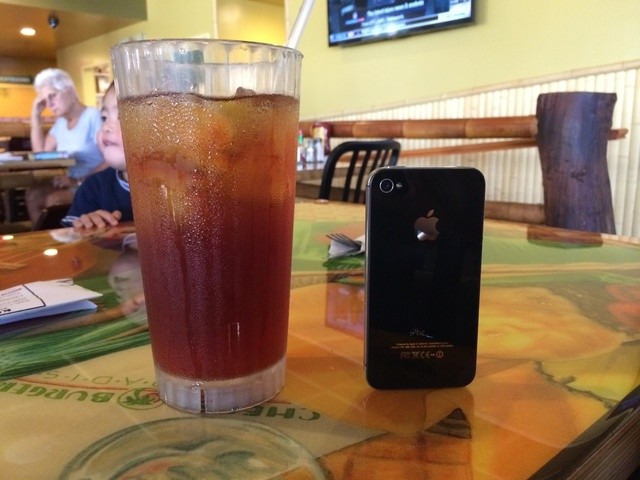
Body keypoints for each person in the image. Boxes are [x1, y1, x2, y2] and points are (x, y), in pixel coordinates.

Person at [28, 68, 105, 221]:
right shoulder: (60, 124)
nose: (49, 104)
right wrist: (35, 116)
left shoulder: (93, 116)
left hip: (96, 183)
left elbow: (110, 161)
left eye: (52, 96)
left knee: (53, 200)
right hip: (72, 183)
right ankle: (45, 236)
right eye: (45, 100)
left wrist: (78, 180)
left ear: (69, 90)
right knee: (33, 196)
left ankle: (65, 234)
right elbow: (40, 154)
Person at [62, 82, 133, 229]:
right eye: (104, 117)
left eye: (123, 116)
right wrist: (88, 225)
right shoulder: (94, 187)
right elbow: (72, 236)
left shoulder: (178, 189)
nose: (106, 127)